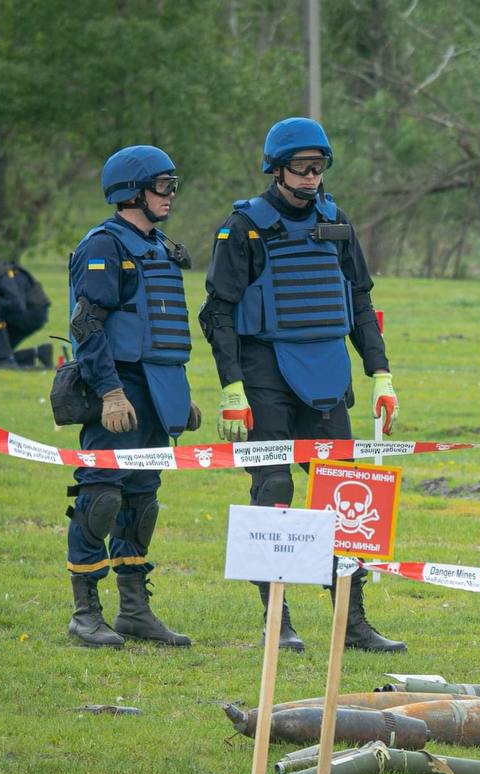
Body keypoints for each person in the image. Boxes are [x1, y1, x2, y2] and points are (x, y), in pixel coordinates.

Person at [199, 117, 406, 654]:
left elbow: (360, 302)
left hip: (327, 372)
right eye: (302, 168)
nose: (313, 177)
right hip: (263, 372)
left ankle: (352, 621)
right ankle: (278, 619)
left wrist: (380, 374)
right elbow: (217, 312)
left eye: (320, 167)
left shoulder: (337, 221)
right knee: (274, 490)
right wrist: (232, 388)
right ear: (275, 169)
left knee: (346, 496)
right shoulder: (243, 226)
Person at [63, 144, 199, 648]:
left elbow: (160, 331)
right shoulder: (104, 246)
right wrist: (111, 393)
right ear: (131, 191)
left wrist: (179, 396)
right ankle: (85, 613)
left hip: (155, 390)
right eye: (161, 185)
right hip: (113, 387)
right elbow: (88, 326)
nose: (170, 194)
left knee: (142, 501)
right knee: (101, 495)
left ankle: (135, 612)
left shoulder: (159, 246)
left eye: (171, 184)